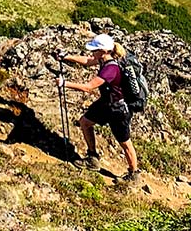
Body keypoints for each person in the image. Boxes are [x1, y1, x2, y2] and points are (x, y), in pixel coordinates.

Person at [59, 32, 140, 183]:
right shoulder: (104, 60)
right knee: (85, 122)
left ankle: (134, 174)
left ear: (103, 51)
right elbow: (87, 61)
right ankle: (92, 158)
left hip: (118, 110)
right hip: (106, 104)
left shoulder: (111, 68)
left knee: (125, 142)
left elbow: (88, 87)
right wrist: (66, 56)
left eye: (94, 49)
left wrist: (65, 84)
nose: (92, 52)